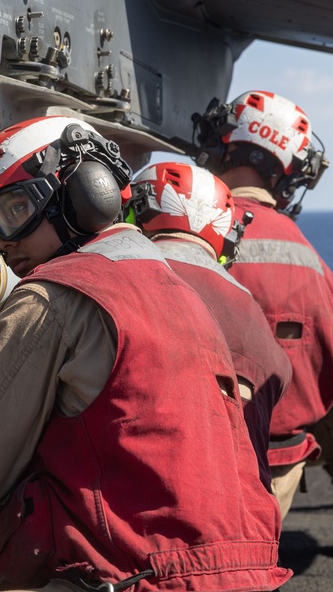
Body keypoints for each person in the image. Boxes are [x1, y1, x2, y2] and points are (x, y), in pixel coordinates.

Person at [0, 116, 289, 590]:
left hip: (132, 578)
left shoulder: (52, 295)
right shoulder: (169, 281)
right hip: (234, 571)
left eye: (14, 209)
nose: (2, 243)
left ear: (87, 190)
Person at [188, 90, 333, 563]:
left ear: (223, 146)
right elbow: (324, 348)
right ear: (285, 170)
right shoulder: (307, 254)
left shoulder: (188, 228)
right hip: (282, 443)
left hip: (203, 432)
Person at [127, 161, 293, 487]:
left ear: (134, 214)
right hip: (250, 513)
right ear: (228, 236)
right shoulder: (248, 307)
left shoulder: (121, 278)